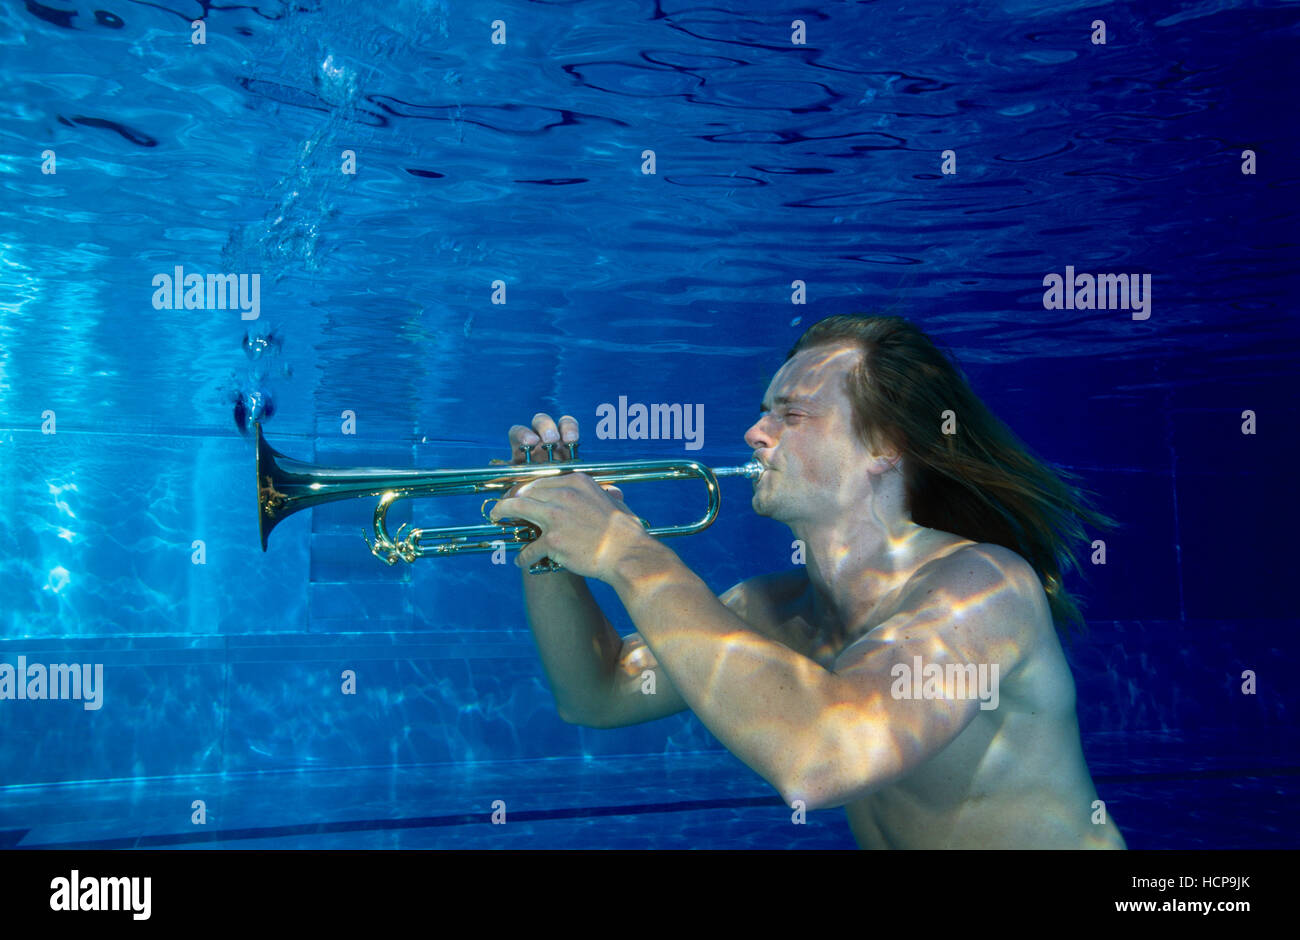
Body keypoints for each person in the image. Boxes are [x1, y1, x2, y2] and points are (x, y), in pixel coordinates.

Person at [490, 314, 1126, 849]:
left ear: (885, 444)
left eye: (791, 415)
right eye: (764, 411)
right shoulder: (773, 609)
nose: (754, 433)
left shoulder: (985, 591)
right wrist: (545, 541)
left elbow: (825, 758)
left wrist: (630, 553)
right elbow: (594, 695)